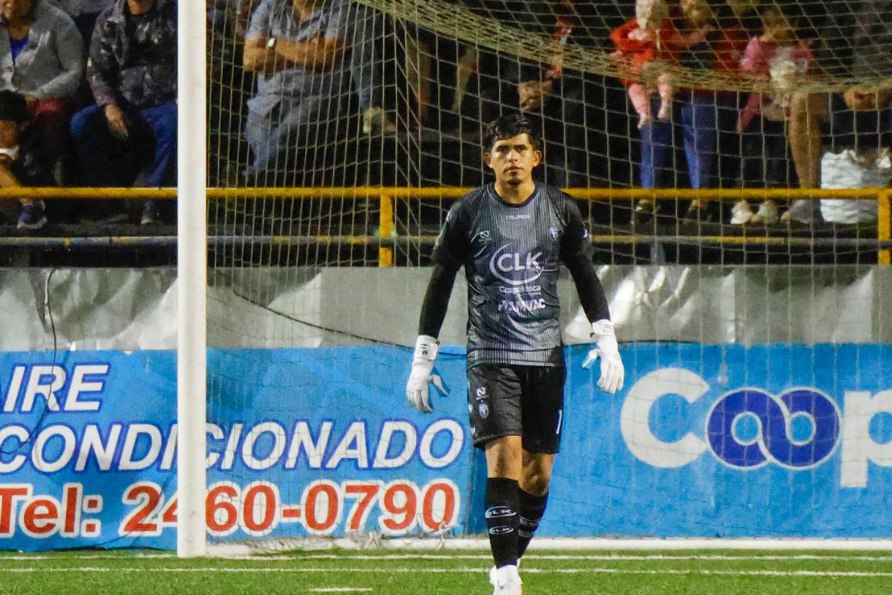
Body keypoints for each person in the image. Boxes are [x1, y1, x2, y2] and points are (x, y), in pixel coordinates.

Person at [404, 115, 624, 595]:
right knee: (504, 457)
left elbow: (585, 275)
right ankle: (506, 575)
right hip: (491, 354)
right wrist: (424, 355)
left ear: (535, 158)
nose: (511, 158)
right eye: (501, 149)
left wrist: (605, 337)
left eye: (519, 149)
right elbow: (440, 282)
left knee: (538, 475)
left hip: (546, 356)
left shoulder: (561, 210)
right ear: (489, 159)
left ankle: (510, 557)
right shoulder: (467, 213)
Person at [632, 0, 748, 223]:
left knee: (696, 114)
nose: (692, 7)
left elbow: (726, 75)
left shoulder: (725, 27)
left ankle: (700, 199)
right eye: (688, 3)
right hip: (674, 89)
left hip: (712, 93)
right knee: (653, 113)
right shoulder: (666, 22)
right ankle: (648, 195)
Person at [68, 0, 176, 224]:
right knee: (81, 124)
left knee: (177, 124)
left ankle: (154, 201)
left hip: (164, 102)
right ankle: (109, 202)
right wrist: (109, 105)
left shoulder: (175, 14)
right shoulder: (107, 19)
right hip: (122, 104)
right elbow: (96, 71)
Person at [242, 0, 354, 185]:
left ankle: (249, 183)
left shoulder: (338, 7)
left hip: (315, 99)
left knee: (284, 138)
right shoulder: (269, 6)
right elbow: (249, 59)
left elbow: (325, 56)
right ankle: (260, 191)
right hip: (266, 102)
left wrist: (272, 43)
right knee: (269, 153)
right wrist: (304, 52)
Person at [732, 3, 815, 225]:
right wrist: (762, 51)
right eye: (773, 24)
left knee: (779, 159)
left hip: (787, 114)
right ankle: (743, 203)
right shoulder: (758, 45)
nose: (779, 28)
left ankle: (772, 203)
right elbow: (745, 70)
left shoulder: (802, 49)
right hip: (760, 111)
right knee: (752, 156)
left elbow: (808, 72)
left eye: (783, 23)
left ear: (794, 24)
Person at [0, 0, 84, 182]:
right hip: (4, 102)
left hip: (45, 99)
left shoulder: (59, 22)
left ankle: (48, 184)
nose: (11, 3)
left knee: (50, 116)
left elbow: (74, 72)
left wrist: (38, 95)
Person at [610, 0, 678, 130]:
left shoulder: (665, 28)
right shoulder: (632, 28)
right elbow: (620, 42)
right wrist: (621, 51)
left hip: (658, 66)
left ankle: (665, 104)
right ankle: (643, 113)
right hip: (637, 69)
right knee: (634, 89)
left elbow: (677, 39)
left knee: (665, 79)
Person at [0, 89, 54, 229]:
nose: (0, 134)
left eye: (6, 127)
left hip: (30, 203)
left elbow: (37, 179)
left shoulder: (33, 150)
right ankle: (29, 204)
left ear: (22, 126)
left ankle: (30, 206)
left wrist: (10, 164)